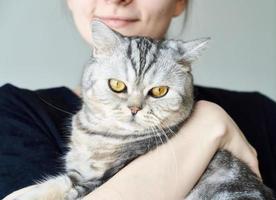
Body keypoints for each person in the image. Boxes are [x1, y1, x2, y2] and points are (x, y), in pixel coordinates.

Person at [1, 0, 275, 199]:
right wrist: (208, 127)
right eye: (117, 86)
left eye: (157, 92)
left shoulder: (262, 113)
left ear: (180, 2)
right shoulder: (12, 112)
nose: (135, 106)